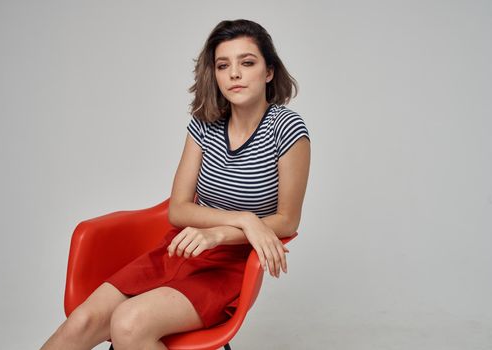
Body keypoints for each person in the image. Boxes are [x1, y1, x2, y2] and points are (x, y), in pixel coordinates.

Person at [40, 18, 310, 350]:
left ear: (269, 72)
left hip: (231, 266)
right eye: (223, 65)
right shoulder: (204, 124)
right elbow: (179, 209)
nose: (235, 74)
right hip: (180, 248)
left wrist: (222, 234)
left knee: (128, 323)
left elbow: (287, 219)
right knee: (81, 321)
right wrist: (243, 218)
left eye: (247, 63)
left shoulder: (286, 127)